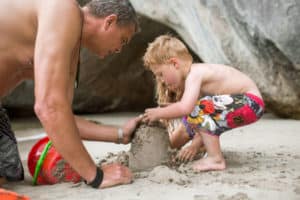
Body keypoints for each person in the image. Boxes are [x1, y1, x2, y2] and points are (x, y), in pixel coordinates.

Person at [0, 0, 141, 189]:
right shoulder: (63, 8)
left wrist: (121, 134)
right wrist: (96, 176)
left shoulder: (70, 50)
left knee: (9, 172)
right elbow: (49, 107)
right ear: (109, 22)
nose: (119, 49)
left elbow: (62, 117)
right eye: (123, 40)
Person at [142, 35, 265, 172]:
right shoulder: (194, 80)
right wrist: (190, 144)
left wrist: (159, 112)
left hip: (250, 102)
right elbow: (199, 120)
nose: (161, 81)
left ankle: (216, 159)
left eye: (160, 74)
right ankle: (164, 151)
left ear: (175, 64)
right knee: (188, 122)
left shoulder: (195, 73)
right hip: (240, 106)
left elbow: (186, 107)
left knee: (197, 109)